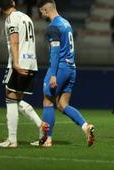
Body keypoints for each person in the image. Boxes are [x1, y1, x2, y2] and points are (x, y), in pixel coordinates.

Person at [35, 0, 95, 147]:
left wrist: (54, 74)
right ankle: (85, 126)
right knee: (62, 104)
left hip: (59, 68)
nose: (41, 14)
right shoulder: (66, 23)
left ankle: (47, 139)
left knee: (47, 102)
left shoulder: (52, 27)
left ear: (45, 10)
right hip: (71, 68)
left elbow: (55, 53)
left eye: (41, 11)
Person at [0, 0, 49, 148]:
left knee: (10, 99)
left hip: (18, 62)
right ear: (12, 2)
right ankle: (40, 125)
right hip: (32, 62)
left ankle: (12, 140)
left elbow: (14, 41)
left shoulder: (11, 19)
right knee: (15, 99)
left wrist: (16, 63)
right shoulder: (26, 17)